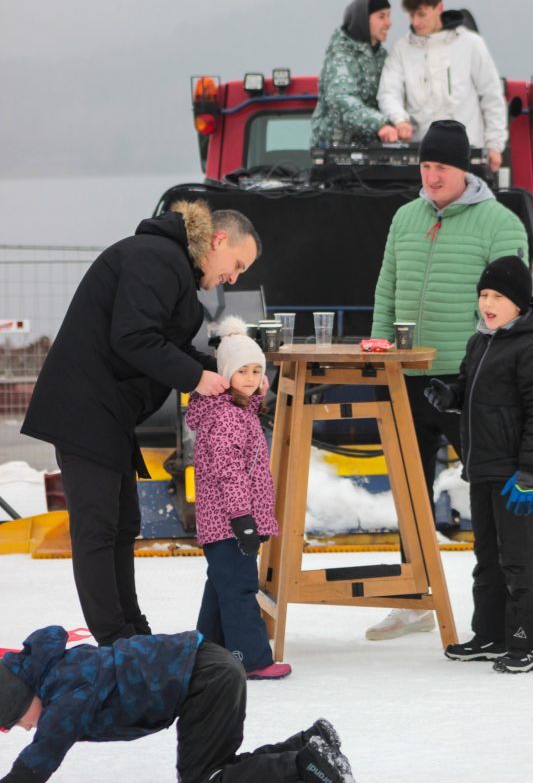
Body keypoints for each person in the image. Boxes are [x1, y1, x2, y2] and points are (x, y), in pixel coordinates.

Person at [21, 201, 261, 648]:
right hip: (84, 409)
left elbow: (166, 344)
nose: (235, 277)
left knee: (123, 523)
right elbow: (133, 338)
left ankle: (134, 632)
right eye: (237, 264)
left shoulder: (170, 268)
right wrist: (197, 378)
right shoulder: (155, 257)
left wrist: (229, 373)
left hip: (107, 413)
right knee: (98, 528)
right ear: (218, 240)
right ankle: (116, 640)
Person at [366, 119, 528, 641]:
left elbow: (510, 308)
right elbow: (386, 288)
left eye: (442, 167)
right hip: (407, 377)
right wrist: (377, 354)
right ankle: (414, 599)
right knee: (408, 490)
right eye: (426, 166)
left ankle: (510, 605)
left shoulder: (500, 224)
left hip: (471, 380)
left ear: (464, 170)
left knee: (489, 493)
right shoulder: (403, 218)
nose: (432, 177)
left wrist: (491, 369)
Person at [425, 256, 533, 673]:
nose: (487, 302)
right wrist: (451, 395)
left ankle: (526, 641)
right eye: (483, 294)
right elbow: (471, 386)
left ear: (520, 303)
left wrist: (528, 473)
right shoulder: (481, 341)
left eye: (498, 296)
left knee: (518, 558)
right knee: (486, 556)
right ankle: (490, 633)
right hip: (482, 468)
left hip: (515, 477)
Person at [0, 624, 356, 783]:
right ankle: (310, 744)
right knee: (217, 768)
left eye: (17, 720)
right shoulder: (60, 674)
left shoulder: (65, 692)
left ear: (20, 696)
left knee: (205, 779)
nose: (26, 728)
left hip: (203, 679)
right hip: (206, 666)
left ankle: (306, 764)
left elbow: (38, 761)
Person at [186, 317, 290, 681]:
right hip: (230, 523)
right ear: (225, 374)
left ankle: (204, 653)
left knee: (220, 587)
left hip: (230, 522)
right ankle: (252, 659)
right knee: (241, 591)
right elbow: (229, 474)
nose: (249, 377)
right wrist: (244, 519)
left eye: (256, 370)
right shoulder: (228, 418)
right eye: (241, 370)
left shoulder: (240, 412)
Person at [377, 0, 508, 171]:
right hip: (425, 160)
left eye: (422, 14)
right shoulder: (402, 49)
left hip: (467, 156)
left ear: (439, 7)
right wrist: (399, 119)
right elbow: (388, 92)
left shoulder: (470, 44)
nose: (416, 22)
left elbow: (491, 95)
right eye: (412, 15)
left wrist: (494, 145)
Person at [310, 0, 399, 146]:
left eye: (389, 16)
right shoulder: (341, 56)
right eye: (381, 17)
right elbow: (341, 99)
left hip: (370, 154)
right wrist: (380, 124)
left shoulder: (381, 57)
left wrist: (402, 121)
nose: (388, 23)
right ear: (364, 20)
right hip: (337, 154)